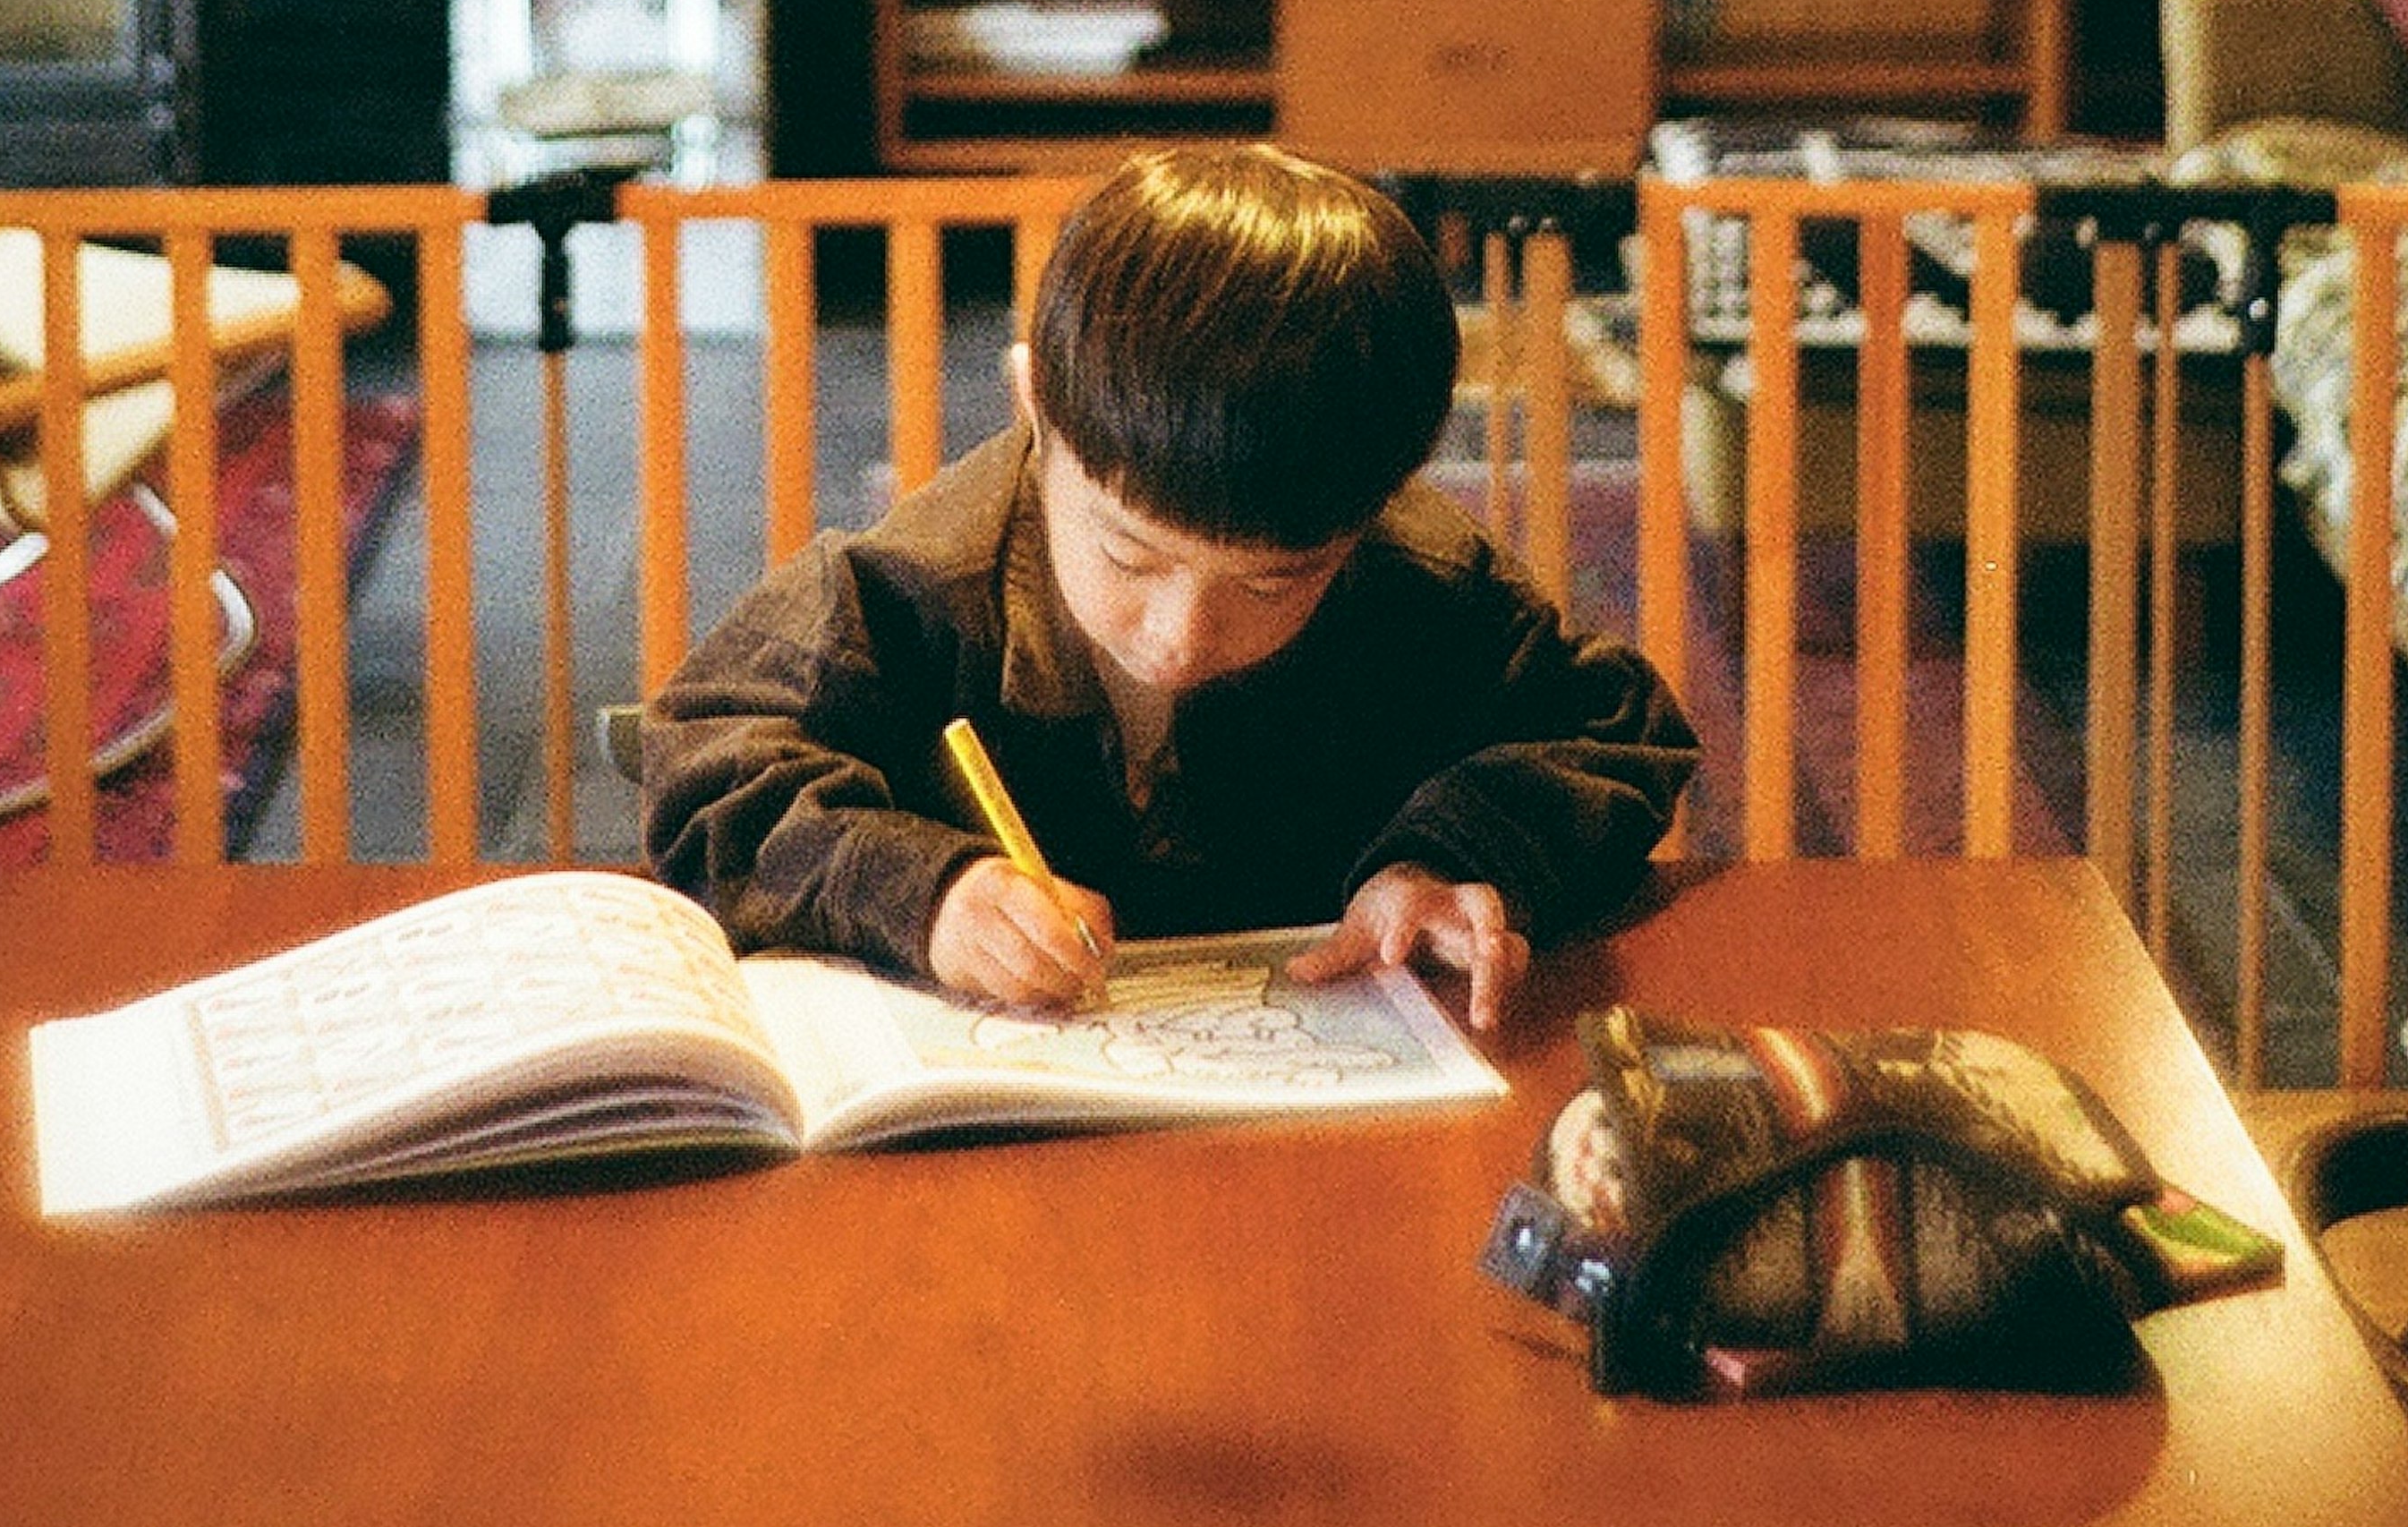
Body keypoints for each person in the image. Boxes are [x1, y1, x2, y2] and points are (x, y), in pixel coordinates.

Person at [641, 143, 1698, 1034]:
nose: (1185, 637)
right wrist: (926, 893)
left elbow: (1616, 727)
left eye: (1274, 583)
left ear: (1381, 501)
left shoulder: (1418, 583)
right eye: (1131, 558)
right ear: (1036, 407)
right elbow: (706, 761)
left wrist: (1448, 858)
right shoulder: (913, 588)